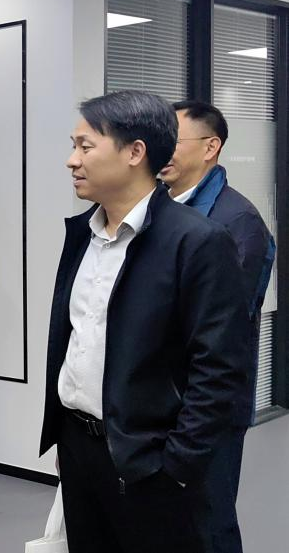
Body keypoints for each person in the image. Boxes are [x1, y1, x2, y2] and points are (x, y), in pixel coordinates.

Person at [38, 90, 247, 553]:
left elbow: (219, 371)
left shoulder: (196, 242)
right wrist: (66, 441)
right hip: (79, 448)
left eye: (85, 146)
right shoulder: (82, 234)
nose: (72, 160)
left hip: (151, 461)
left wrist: (176, 466)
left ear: (135, 152)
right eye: (73, 146)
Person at [159, 100, 274, 553]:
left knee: (208, 523)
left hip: (207, 407)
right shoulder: (161, 208)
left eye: (174, 140)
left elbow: (222, 331)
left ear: (211, 147)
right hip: (160, 400)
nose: (162, 149)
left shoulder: (237, 221)